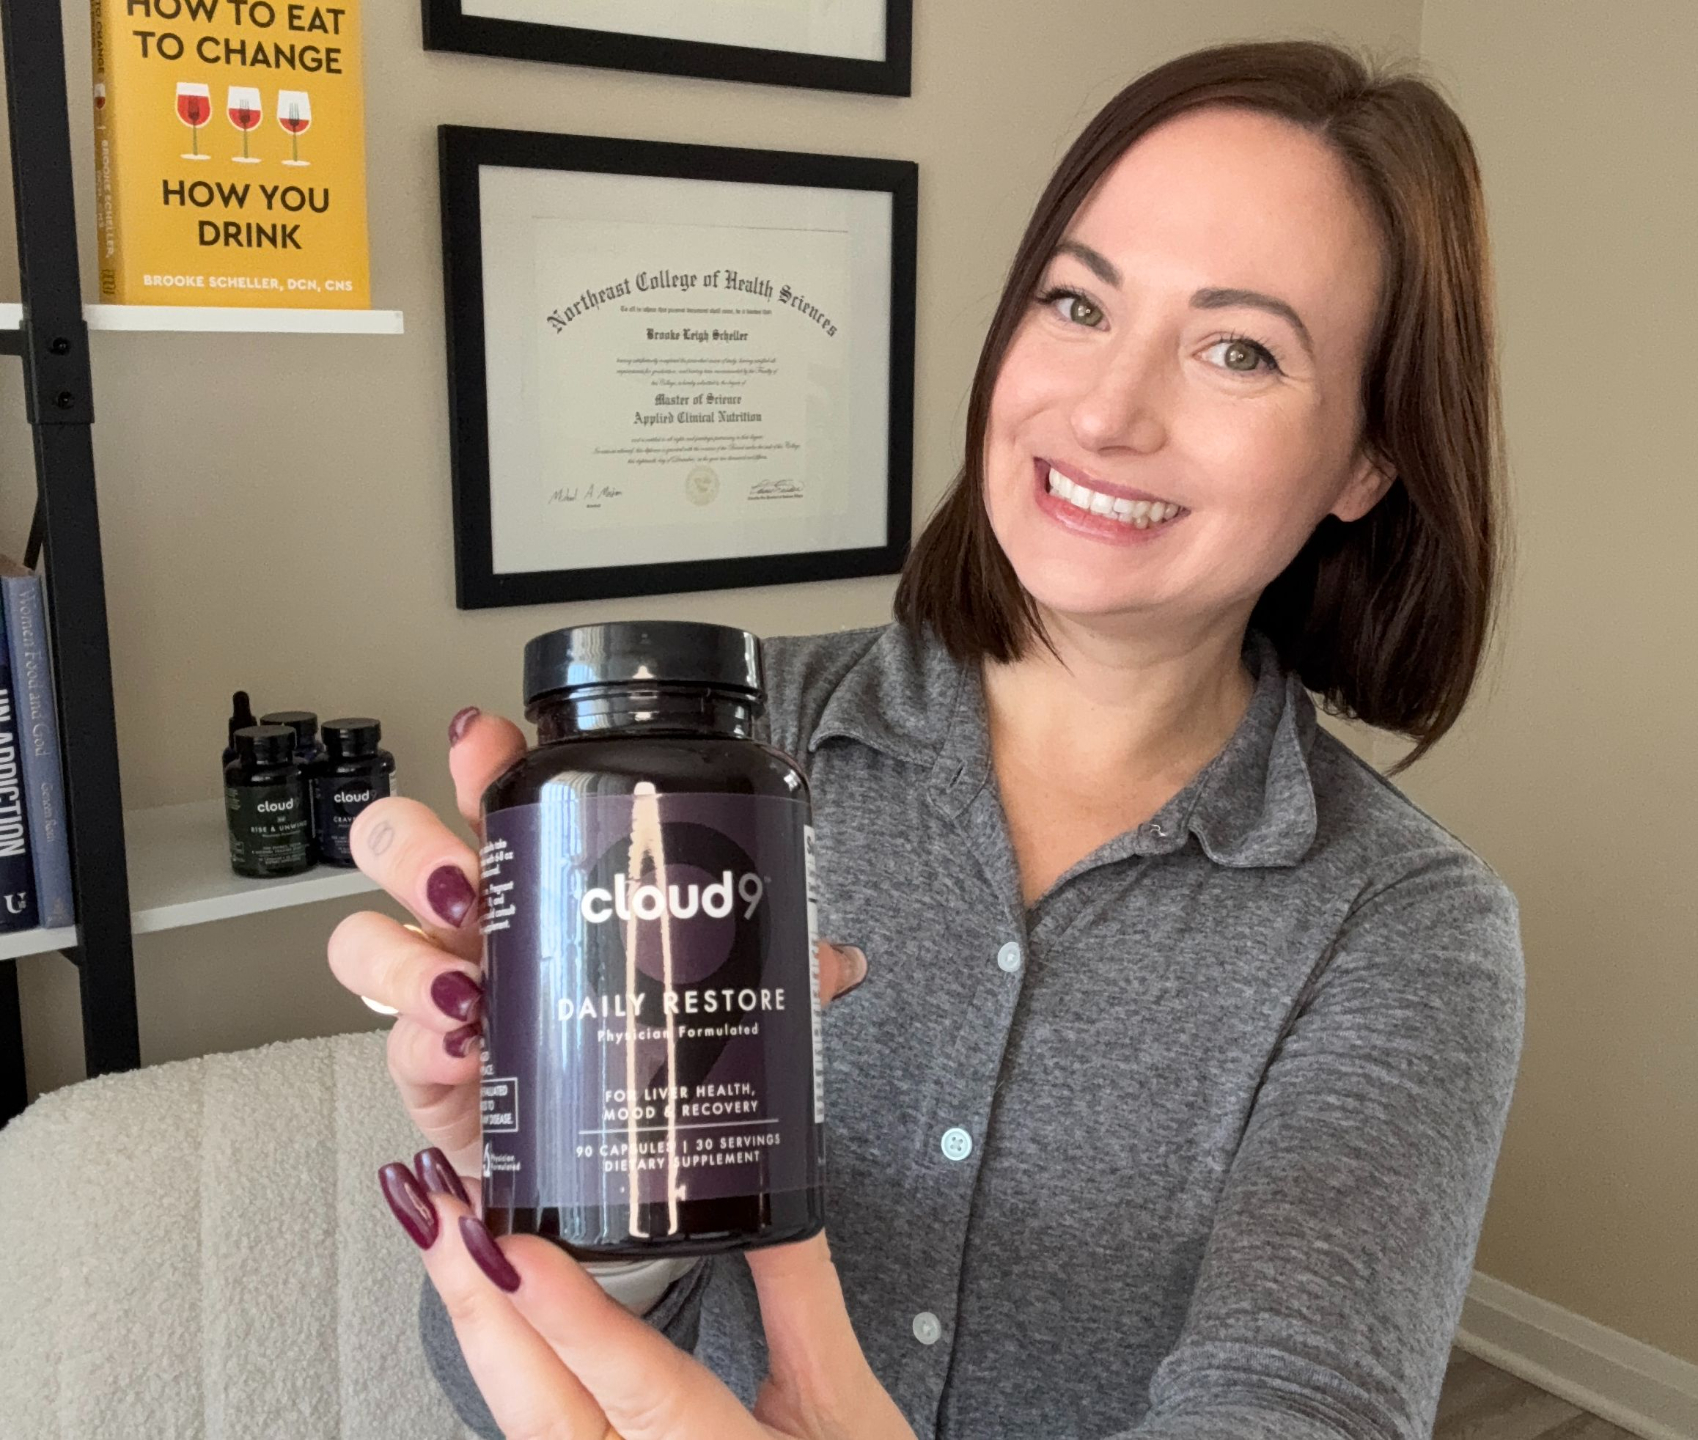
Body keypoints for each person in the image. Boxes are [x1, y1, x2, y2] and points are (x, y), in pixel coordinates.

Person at [329, 36, 1526, 1440]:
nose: (1103, 412)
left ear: (1368, 459)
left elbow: (1300, 1407)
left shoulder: (1404, 925)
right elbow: (493, 1384)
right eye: (1076, 303)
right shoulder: (733, 755)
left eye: (1238, 349)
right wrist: (578, 1228)